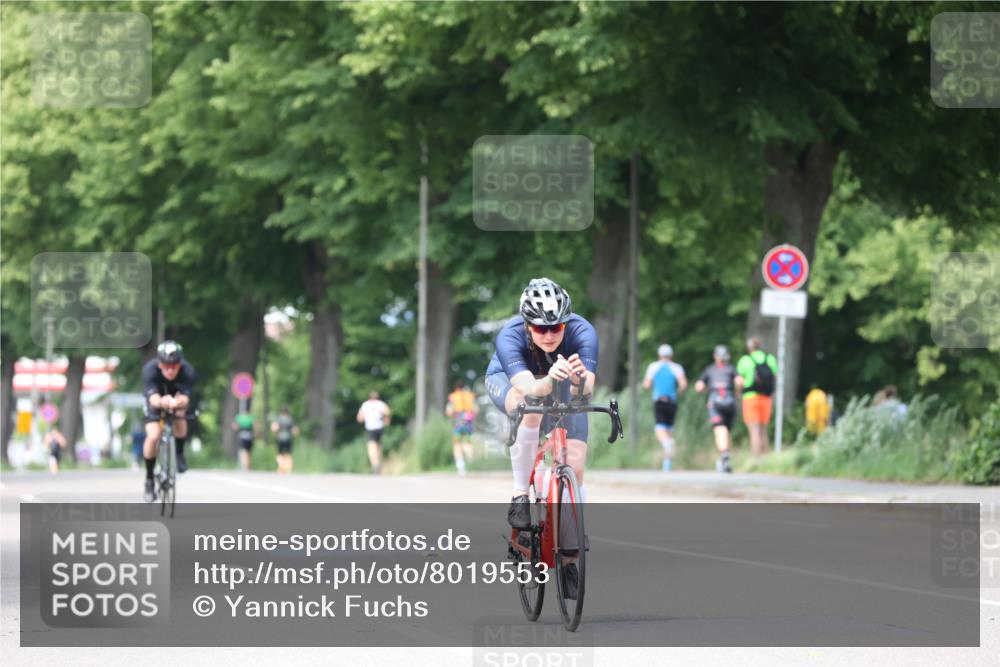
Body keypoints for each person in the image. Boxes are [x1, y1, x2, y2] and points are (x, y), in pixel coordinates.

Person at [485, 277, 598, 600]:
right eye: (540, 328)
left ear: (567, 323)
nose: (549, 335)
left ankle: (570, 559)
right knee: (529, 408)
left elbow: (587, 389)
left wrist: (578, 381)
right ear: (527, 324)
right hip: (513, 381)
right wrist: (549, 380)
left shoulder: (583, 332)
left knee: (575, 465)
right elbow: (530, 389)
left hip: (558, 380)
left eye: (556, 327)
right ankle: (521, 494)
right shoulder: (509, 336)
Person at [141, 340, 196, 501]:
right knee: (154, 435)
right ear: (160, 364)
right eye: (166, 366)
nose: (170, 370)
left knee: (180, 414)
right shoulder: (150, 370)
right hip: (157, 400)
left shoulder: (187, 371)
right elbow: (153, 399)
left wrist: (177, 403)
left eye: (174, 366)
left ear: (180, 364)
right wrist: (162, 402)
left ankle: (179, 453)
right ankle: (149, 478)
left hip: (176, 400)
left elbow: (185, 398)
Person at [694, 345, 741, 473]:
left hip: (715, 402)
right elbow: (740, 382)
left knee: (720, 430)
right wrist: (737, 393)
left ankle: (724, 457)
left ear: (715, 356)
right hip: (730, 401)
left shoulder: (709, 370)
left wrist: (708, 390)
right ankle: (725, 458)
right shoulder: (731, 369)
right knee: (726, 431)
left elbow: (698, 387)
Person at [642, 344, 687, 471]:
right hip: (672, 402)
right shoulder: (676, 367)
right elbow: (683, 384)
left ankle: (667, 448)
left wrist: (651, 388)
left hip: (659, 401)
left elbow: (646, 384)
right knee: (669, 432)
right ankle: (667, 464)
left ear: (659, 355)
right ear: (671, 355)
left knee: (660, 430)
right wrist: (678, 392)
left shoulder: (654, 366)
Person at [736, 337, 778, 457]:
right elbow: (774, 377)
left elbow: (739, 381)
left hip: (750, 398)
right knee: (763, 430)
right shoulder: (770, 358)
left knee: (754, 431)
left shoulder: (745, 360)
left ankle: (757, 459)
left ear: (749, 347)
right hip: (766, 398)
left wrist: (738, 393)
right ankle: (766, 459)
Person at [446, 380, 478, 475]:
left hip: (458, 423)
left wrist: (454, 414)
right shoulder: (470, 396)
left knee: (457, 444)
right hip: (468, 422)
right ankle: (472, 464)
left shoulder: (453, 397)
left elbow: (449, 411)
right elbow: (476, 409)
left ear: (456, 388)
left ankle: (461, 467)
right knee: (468, 442)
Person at [357, 391, 390, 474]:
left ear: (369, 397)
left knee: (371, 447)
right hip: (379, 427)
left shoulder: (366, 405)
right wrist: (386, 419)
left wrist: (363, 418)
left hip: (371, 428)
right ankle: (378, 462)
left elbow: (360, 418)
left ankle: (375, 464)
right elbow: (387, 412)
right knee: (378, 446)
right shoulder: (381, 404)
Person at [271, 406, 299, 474]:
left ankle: (282, 465)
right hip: (288, 438)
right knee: (288, 454)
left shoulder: (279, 419)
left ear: (281, 412)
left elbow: (274, 427)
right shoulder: (290, 419)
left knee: (280, 454)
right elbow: (295, 430)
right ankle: (289, 468)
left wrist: (275, 432)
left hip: (280, 438)